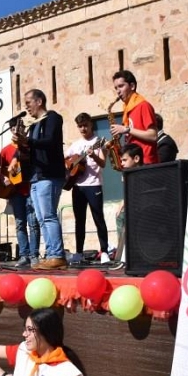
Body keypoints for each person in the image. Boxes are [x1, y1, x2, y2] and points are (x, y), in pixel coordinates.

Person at [14, 89, 66, 270]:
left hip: (49, 175)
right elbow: (32, 150)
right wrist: (22, 143)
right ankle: (51, 254)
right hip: (36, 177)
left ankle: (57, 254)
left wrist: (27, 141)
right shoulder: (35, 125)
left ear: (40, 101)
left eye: (28, 102)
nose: (26, 106)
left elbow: (50, 141)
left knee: (48, 215)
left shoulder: (52, 118)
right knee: (42, 218)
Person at [65, 113, 110, 264]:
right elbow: (66, 162)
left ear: (91, 125)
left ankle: (104, 251)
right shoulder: (75, 145)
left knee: (98, 218)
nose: (83, 128)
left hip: (94, 184)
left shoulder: (99, 141)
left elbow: (103, 164)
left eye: (85, 125)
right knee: (80, 220)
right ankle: (78, 252)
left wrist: (93, 156)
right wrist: (69, 166)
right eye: (80, 126)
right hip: (78, 187)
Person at [0, 120, 41, 267]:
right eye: (13, 128)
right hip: (15, 192)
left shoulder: (29, 146)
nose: (16, 130)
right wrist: (4, 178)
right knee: (20, 224)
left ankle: (34, 255)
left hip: (31, 189)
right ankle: (24, 255)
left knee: (33, 223)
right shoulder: (6, 150)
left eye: (18, 128)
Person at [110, 70, 158, 165]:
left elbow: (153, 136)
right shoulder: (128, 108)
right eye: (116, 88)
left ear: (132, 86)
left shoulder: (143, 105)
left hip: (146, 162)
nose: (118, 91)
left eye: (121, 86)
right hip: (134, 164)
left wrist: (126, 130)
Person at [111, 143, 144, 270]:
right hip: (132, 205)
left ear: (136, 159)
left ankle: (126, 256)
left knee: (124, 216)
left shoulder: (142, 173)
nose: (122, 163)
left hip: (140, 208)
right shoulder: (126, 174)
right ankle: (123, 255)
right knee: (120, 215)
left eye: (125, 160)